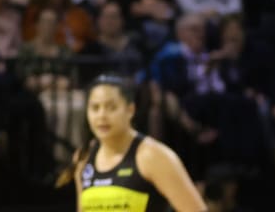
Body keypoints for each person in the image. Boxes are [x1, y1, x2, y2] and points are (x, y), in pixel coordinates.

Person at [57, 73, 206, 212]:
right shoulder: (83, 156)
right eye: (95, 108)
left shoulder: (153, 156)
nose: (102, 115)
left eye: (111, 107)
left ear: (130, 110)